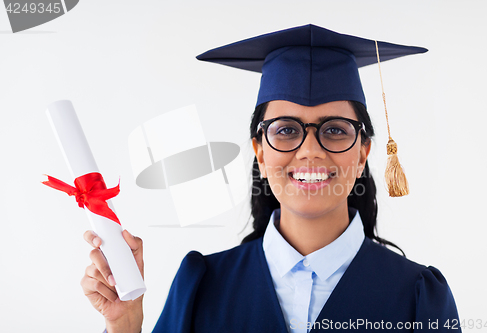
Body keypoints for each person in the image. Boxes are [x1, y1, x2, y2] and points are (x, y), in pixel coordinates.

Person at [81, 24, 461, 333]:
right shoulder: (202, 286)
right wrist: (125, 326)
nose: (310, 150)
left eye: (334, 130)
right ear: (260, 152)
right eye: (285, 131)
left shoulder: (418, 298)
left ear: (363, 153)